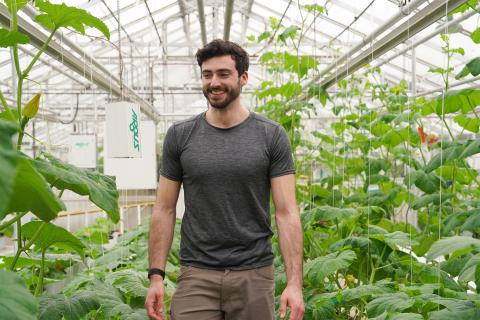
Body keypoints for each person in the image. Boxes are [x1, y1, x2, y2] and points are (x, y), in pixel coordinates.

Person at [145, 39, 304, 320]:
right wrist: (156, 275)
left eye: (223, 74)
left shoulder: (271, 135)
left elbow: (287, 212)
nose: (213, 82)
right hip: (196, 274)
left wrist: (294, 283)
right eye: (207, 75)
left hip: (254, 274)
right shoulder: (180, 136)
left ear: (243, 78)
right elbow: (164, 208)